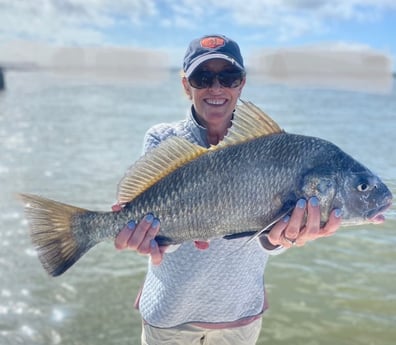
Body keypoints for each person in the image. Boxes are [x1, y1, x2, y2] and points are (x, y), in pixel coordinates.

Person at [113, 34, 342, 345]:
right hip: (170, 314)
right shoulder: (163, 138)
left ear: (242, 83)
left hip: (241, 314)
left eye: (229, 77)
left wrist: (281, 239)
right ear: (186, 85)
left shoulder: (274, 147)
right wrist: (155, 239)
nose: (216, 87)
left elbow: (266, 239)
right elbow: (153, 217)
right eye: (202, 77)